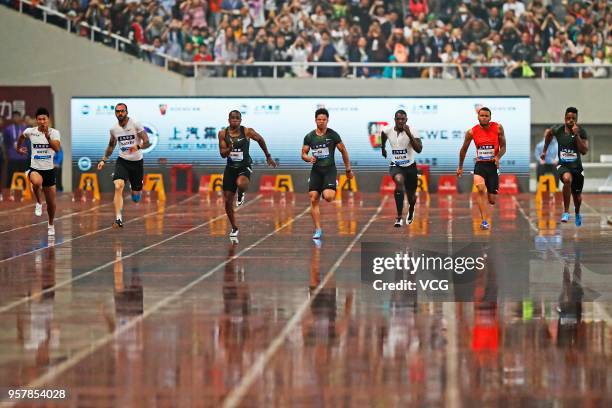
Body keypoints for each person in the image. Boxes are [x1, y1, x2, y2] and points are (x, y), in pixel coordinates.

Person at [218, 110, 276, 239]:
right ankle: (234, 227)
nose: (235, 120)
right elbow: (222, 154)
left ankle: (241, 193)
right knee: (227, 201)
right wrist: (229, 149)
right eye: (232, 118)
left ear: (240, 120)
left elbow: (260, 139)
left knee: (241, 183)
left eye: (237, 118)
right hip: (230, 168)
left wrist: (268, 156)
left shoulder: (247, 131)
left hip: (244, 166)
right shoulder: (222, 134)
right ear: (228, 120)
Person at [302, 108, 352, 239]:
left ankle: (329, 186)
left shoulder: (333, 135)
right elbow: (303, 154)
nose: (321, 122)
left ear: (327, 120)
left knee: (329, 197)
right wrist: (308, 158)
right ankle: (318, 229)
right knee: (313, 198)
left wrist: (348, 169)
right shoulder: (309, 137)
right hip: (316, 170)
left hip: (329, 169)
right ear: (315, 121)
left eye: (324, 119)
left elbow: (343, 151)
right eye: (319, 119)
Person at [97, 103, 150, 228]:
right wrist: (103, 160)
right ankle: (118, 218)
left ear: (126, 112)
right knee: (118, 185)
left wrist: (137, 146)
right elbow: (111, 146)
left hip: (137, 162)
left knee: (136, 197)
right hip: (123, 161)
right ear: (115, 113)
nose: (120, 113)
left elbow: (147, 141)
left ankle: (134, 188)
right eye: (117, 111)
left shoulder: (136, 124)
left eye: (122, 111)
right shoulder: (114, 129)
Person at [457, 107, 507, 230]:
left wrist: (497, 157)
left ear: (490, 117)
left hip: (492, 166)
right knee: (480, 188)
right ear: (478, 117)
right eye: (482, 116)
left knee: (492, 200)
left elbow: (504, 147)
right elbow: (463, 150)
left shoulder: (498, 128)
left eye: (486, 116)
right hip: (480, 165)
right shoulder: (471, 132)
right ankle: (484, 220)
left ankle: (491, 193)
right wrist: (460, 167)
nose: (484, 118)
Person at [16, 108, 61, 236]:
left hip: (49, 170)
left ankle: (51, 223)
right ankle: (38, 202)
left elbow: (57, 148)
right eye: (39, 119)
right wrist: (18, 148)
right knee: (36, 181)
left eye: (44, 119)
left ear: (48, 120)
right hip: (35, 168)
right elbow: (21, 137)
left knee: (52, 204)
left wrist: (47, 137)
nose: (42, 121)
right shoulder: (30, 132)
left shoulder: (54, 133)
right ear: (36, 120)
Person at [541, 107, 588, 226]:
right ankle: (566, 212)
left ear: (576, 119)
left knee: (577, 198)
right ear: (565, 118)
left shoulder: (581, 131)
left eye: (573, 118)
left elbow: (584, 151)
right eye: (568, 118)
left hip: (577, 167)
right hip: (563, 165)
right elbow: (548, 134)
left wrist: (576, 135)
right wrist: (545, 150)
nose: (570, 120)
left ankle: (577, 212)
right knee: (567, 180)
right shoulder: (558, 130)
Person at [381, 109, 423, 227]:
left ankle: (411, 209)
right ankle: (399, 217)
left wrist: (409, 134)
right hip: (396, 165)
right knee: (399, 181)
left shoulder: (413, 131)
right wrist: (382, 148)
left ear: (406, 120)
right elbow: (383, 136)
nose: (400, 121)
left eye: (403, 119)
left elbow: (419, 150)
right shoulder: (387, 130)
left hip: (410, 166)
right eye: (398, 119)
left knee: (411, 196)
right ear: (394, 120)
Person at [3, 111, 28, 188]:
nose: (16, 118)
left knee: (23, 175)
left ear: (20, 118)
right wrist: (6, 153)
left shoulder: (25, 129)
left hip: (22, 156)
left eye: (17, 116)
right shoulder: (8, 129)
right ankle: (8, 193)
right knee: (10, 175)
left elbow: (27, 142)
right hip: (12, 156)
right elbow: (6, 142)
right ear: (12, 118)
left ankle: (25, 193)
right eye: (14, 117)